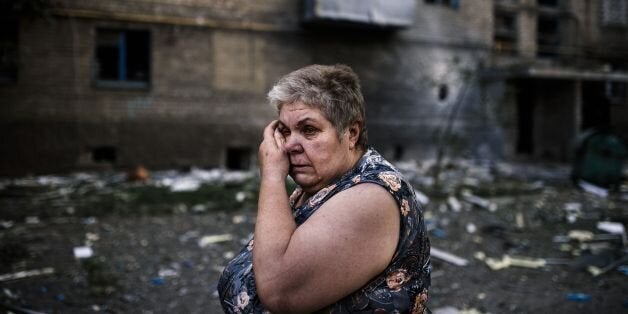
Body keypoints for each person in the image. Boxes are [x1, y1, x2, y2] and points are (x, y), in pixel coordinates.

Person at [218, 64, 431, 313]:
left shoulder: (370, 197)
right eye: (284, 132)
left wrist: (272, 178)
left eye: (309, 130)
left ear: (351, 133)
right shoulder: (326, 183)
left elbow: (277, 293)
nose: (289, 146)